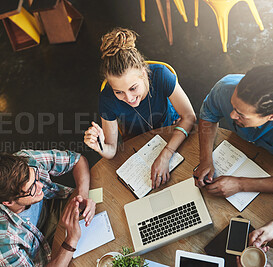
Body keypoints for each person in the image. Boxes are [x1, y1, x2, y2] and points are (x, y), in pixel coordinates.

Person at [84, 28, 196, 189]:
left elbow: (189, 117)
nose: (129, 99)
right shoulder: (107, 99)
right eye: (119, 92)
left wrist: (165, 155)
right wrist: (99, 146)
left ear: (143, 73)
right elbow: (112, 150)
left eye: (133, 88)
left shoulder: (161, 75)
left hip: (172, 128)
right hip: (137, 138)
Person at [0, 149, 96, 267]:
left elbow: (77, 160)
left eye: (36, 178)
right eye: (31, 189)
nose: (40, 186)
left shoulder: (26, 160)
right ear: (8, 202)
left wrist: (82, 195)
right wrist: (71, 240)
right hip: (45, 254)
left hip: (56, 206)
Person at [194, 65, 273, 197]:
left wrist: (240, 184)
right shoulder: (225, 87)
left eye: (240, 115)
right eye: (233, 105)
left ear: (272, 117)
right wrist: (205, 159)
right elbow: (208, 115)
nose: (231, 116)